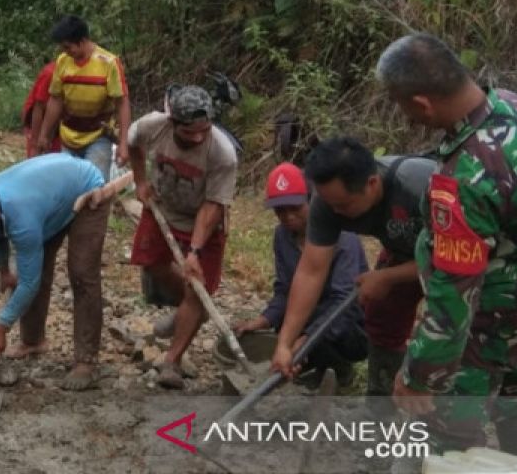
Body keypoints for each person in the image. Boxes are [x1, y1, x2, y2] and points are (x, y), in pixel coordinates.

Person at [377, 33, 517, 470]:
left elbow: (453, 298)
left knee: (441, 434)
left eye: (402, 107)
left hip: (487, 325)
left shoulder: (462, 179)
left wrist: (421, 376)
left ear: (421, 104)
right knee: (516, 399)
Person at [270, 137, 435, 407]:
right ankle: (381, 406)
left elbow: (458, 259)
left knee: (465, 334)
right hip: (405, 250)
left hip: (473, 254)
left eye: (344, 205)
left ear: (371, 184)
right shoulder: (328, 202)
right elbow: (311, 270)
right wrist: (285, 343)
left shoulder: (419, 185)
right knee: (382, 315)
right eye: (330, 205)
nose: (336, 213)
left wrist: (387, 276)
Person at [0, 154, 111, 391]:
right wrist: (4, 271)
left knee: (82, 273)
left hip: (86, 190)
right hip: (50, 199)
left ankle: (86, 361)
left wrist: (0, 327)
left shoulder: (22, 219)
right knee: (33, 266)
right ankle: (33, 341)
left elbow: (30, 283)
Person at [128, 85, 238, 390]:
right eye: (190, 132)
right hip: (163, 206)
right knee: (151, 263)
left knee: (196, 286)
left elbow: (213, 205)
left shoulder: (222, 153)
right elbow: (133, 143)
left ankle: (172, 361)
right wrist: (140, 181)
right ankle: (191, 311)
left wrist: (195, 252)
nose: (198, 137)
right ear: (173, 122)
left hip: (203, 221)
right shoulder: (153, 125)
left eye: (204, 130)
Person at [233, 162, 368, 387]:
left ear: (311, 200)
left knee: (316, 336)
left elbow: (345, 303)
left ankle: (340, 370)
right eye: (280, 210)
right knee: (282, 331)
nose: (287, 216)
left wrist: (307, 339)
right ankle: (308, 366)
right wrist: (263, 320)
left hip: (346, 325)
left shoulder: (343, 239)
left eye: (295, 208)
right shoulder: (283, 237)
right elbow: (285, 289)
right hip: (308, 316)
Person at [37, 15, 130, 178]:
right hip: (68, 136)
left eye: (68, 47)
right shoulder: (63, 61)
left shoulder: (109, 63)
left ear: (82, 40)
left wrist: (123, 144)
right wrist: (44, 134)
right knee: (67, 187)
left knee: (95, 188)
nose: (66, 52)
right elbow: (55, 99)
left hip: (98, 136)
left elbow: (122, 103)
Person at [22, 60, 61, 158]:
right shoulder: (51, 73)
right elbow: (38, 108)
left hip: (60, 122)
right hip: (37, 120)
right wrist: (35, 143)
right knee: (38, 155)